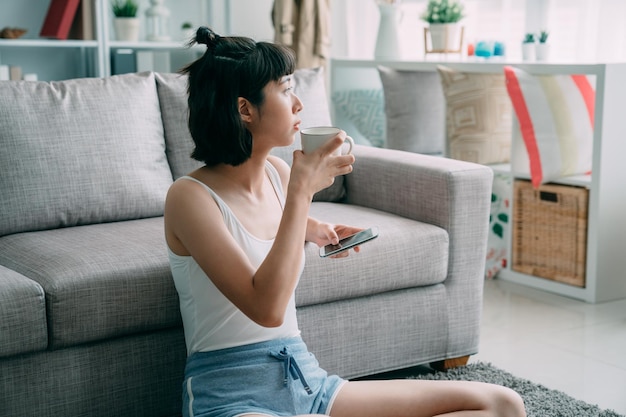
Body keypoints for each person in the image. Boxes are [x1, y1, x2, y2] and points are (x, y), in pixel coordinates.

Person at [164, 26, 527, 417]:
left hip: (305, 380)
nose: (299, 103)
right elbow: (265, 307)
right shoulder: (190, 198)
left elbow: (282, 227)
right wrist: (302, 192)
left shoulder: (276, 173)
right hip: (231, 395)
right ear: (244, 109)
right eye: (286, 90)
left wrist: (322, 231)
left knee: (503, 405)